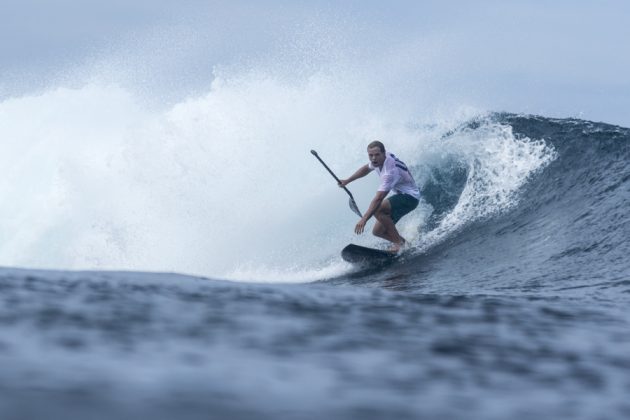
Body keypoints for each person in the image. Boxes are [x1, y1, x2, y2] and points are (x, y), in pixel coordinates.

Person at [338, 141, 420, 252]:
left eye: (376, 155)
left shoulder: (389, 172)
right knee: (378, 231)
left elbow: (378, 198)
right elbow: (366, 169)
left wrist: (364, 219)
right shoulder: (378, 160)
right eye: (370, 155)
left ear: (383, 153)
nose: (373, 158)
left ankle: (398, 243)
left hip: (410, 197)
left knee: (378, 209)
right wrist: (348, 180)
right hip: (401, 195)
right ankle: (406, 246)